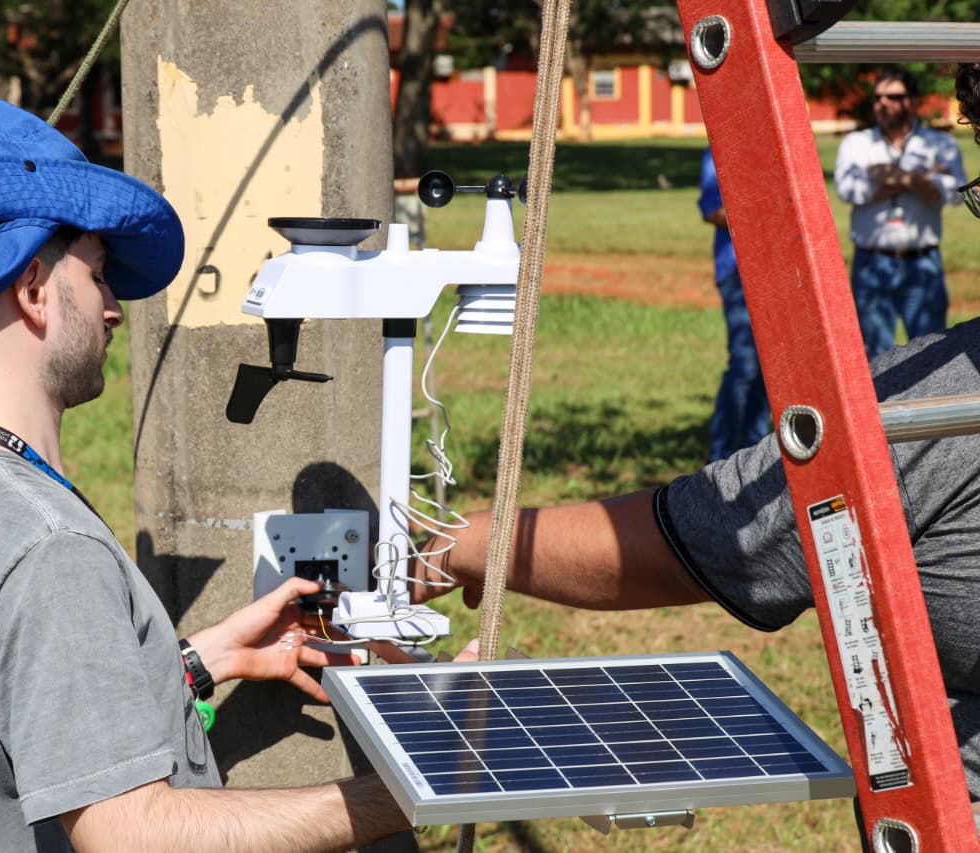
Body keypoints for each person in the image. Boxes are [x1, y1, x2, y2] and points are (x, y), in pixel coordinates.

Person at [0, 96, 464, 851]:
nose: (113, 309)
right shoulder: (46, 546)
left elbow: (4, 714)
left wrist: (201, 661)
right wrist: (414, 791)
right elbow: (131, 832)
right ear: (34, 288)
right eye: (99, 275)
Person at [411, 66, 980, 836]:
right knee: (746, 370)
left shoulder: (933, 408)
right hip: (828, 268)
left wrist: (475, 540)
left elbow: (716, 540)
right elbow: (723, 210)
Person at [834, 67, 967, 359]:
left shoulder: (939, 144)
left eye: (893, 97)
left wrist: (890, 176)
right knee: (873, 357)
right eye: (878, 97)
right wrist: (919, 179)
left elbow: (955, 192)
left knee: (932, 356)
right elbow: (848, 189)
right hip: (871, 263)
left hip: (923, 264)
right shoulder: (856, 144)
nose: (883, 104)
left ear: (913, 101)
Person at [698, 147, 771, 460]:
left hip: (775, 272)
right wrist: (762, 210)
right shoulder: (719, 152)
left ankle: (755, 452)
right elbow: (712, 211)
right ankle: (721, 456)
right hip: (737, 271)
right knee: (744, 365)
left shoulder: (772, 148)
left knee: (770, 366)